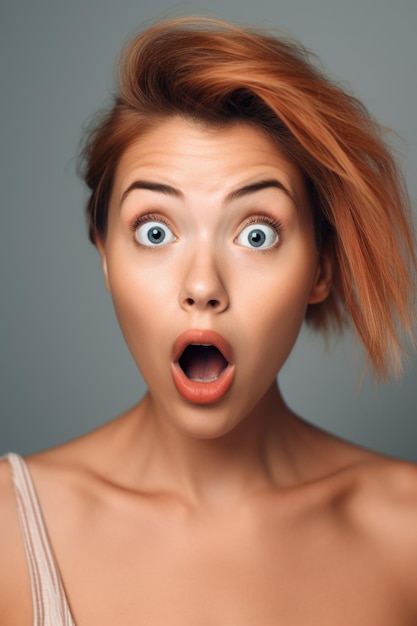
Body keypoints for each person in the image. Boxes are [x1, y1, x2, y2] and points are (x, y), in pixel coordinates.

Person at [1, 16, 416, 625]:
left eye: (255, 233)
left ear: (321, 269)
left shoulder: (406, 532)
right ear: (105, 256)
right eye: (155, 230)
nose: (202, 286)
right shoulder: (9, 531)